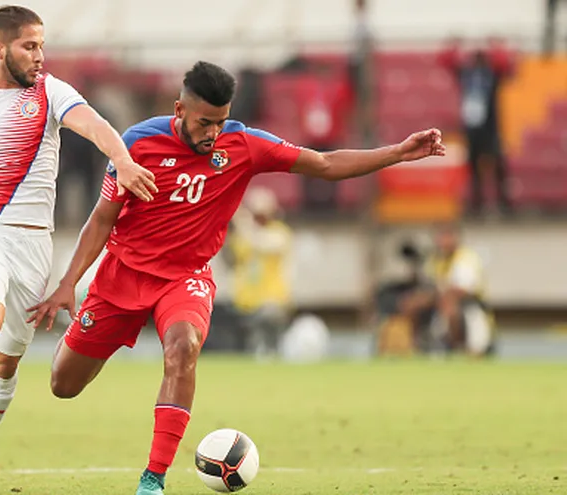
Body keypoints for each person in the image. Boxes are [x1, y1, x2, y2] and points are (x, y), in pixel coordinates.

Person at [27, 61, 445, 495]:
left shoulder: (243, 144)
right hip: (123, 274)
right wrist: (66, 283)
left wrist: (396, 152)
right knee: (64, 385)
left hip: (184, 279)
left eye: (220, 121)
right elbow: (101, 220)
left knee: (182, 347)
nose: (212, 132)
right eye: (204, 122)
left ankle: (153, 480)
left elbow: (323, 163)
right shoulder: (137, 143)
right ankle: (82, 341)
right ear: (179, 110)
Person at [0, 6, 156, 495]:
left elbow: (98, 126)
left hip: (31, 241)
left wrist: (122, 160)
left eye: (42, 45)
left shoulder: (52, 93)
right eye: (29, 46)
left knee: (4, 362)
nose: (40, 56)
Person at [437, 38, 514, 214]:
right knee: (474, 168)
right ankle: (477, 202)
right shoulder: (467, 76)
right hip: (472, 129)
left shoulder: (491, 76)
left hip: (490, 127)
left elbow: (506, 66)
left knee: (498, 166)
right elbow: (447, 62)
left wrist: (497, 47)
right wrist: (454, 45)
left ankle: (503, 202)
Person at [397, 224, 493, 356]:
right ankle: (417, 346)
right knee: (410, 303)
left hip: (470, 305)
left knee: (449, 305)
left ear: (456, 239)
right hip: (439, 300)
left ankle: (455, 347)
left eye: (447, 237)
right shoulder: (436, 259)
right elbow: (428, 284)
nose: (443, 242)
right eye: (441, 237)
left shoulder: (466, 258)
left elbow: (461, 290)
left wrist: (437, 295)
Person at [227, 187, 293, 359]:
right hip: (245, 301)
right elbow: (232, 260)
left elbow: (260, 243)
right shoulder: (242, 235)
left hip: (271, 301)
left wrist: (241, 219)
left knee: (269, 330)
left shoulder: (280, 232)